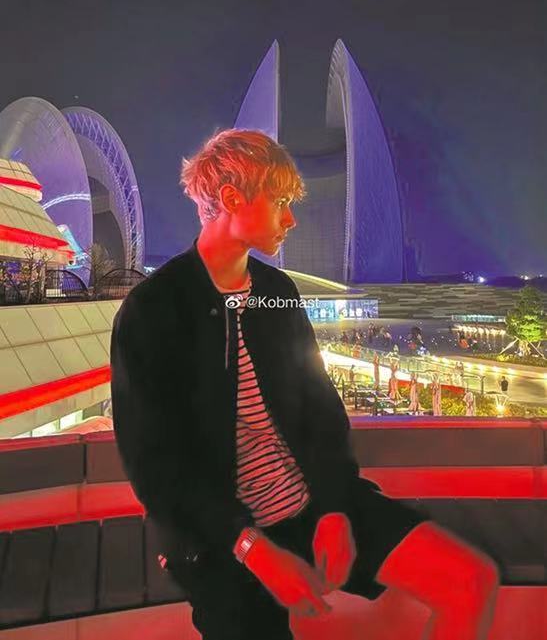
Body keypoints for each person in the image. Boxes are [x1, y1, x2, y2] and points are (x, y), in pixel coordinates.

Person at [110, 129, 498, 640]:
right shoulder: (153, 310)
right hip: (222, 538)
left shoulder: (277, 292)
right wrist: (253, 549)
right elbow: (157, 468)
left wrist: (334, 507)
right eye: (280, 203)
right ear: (232, 198)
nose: (291, 219)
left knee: (471, 580)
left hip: (313, 502)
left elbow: (320, 411)